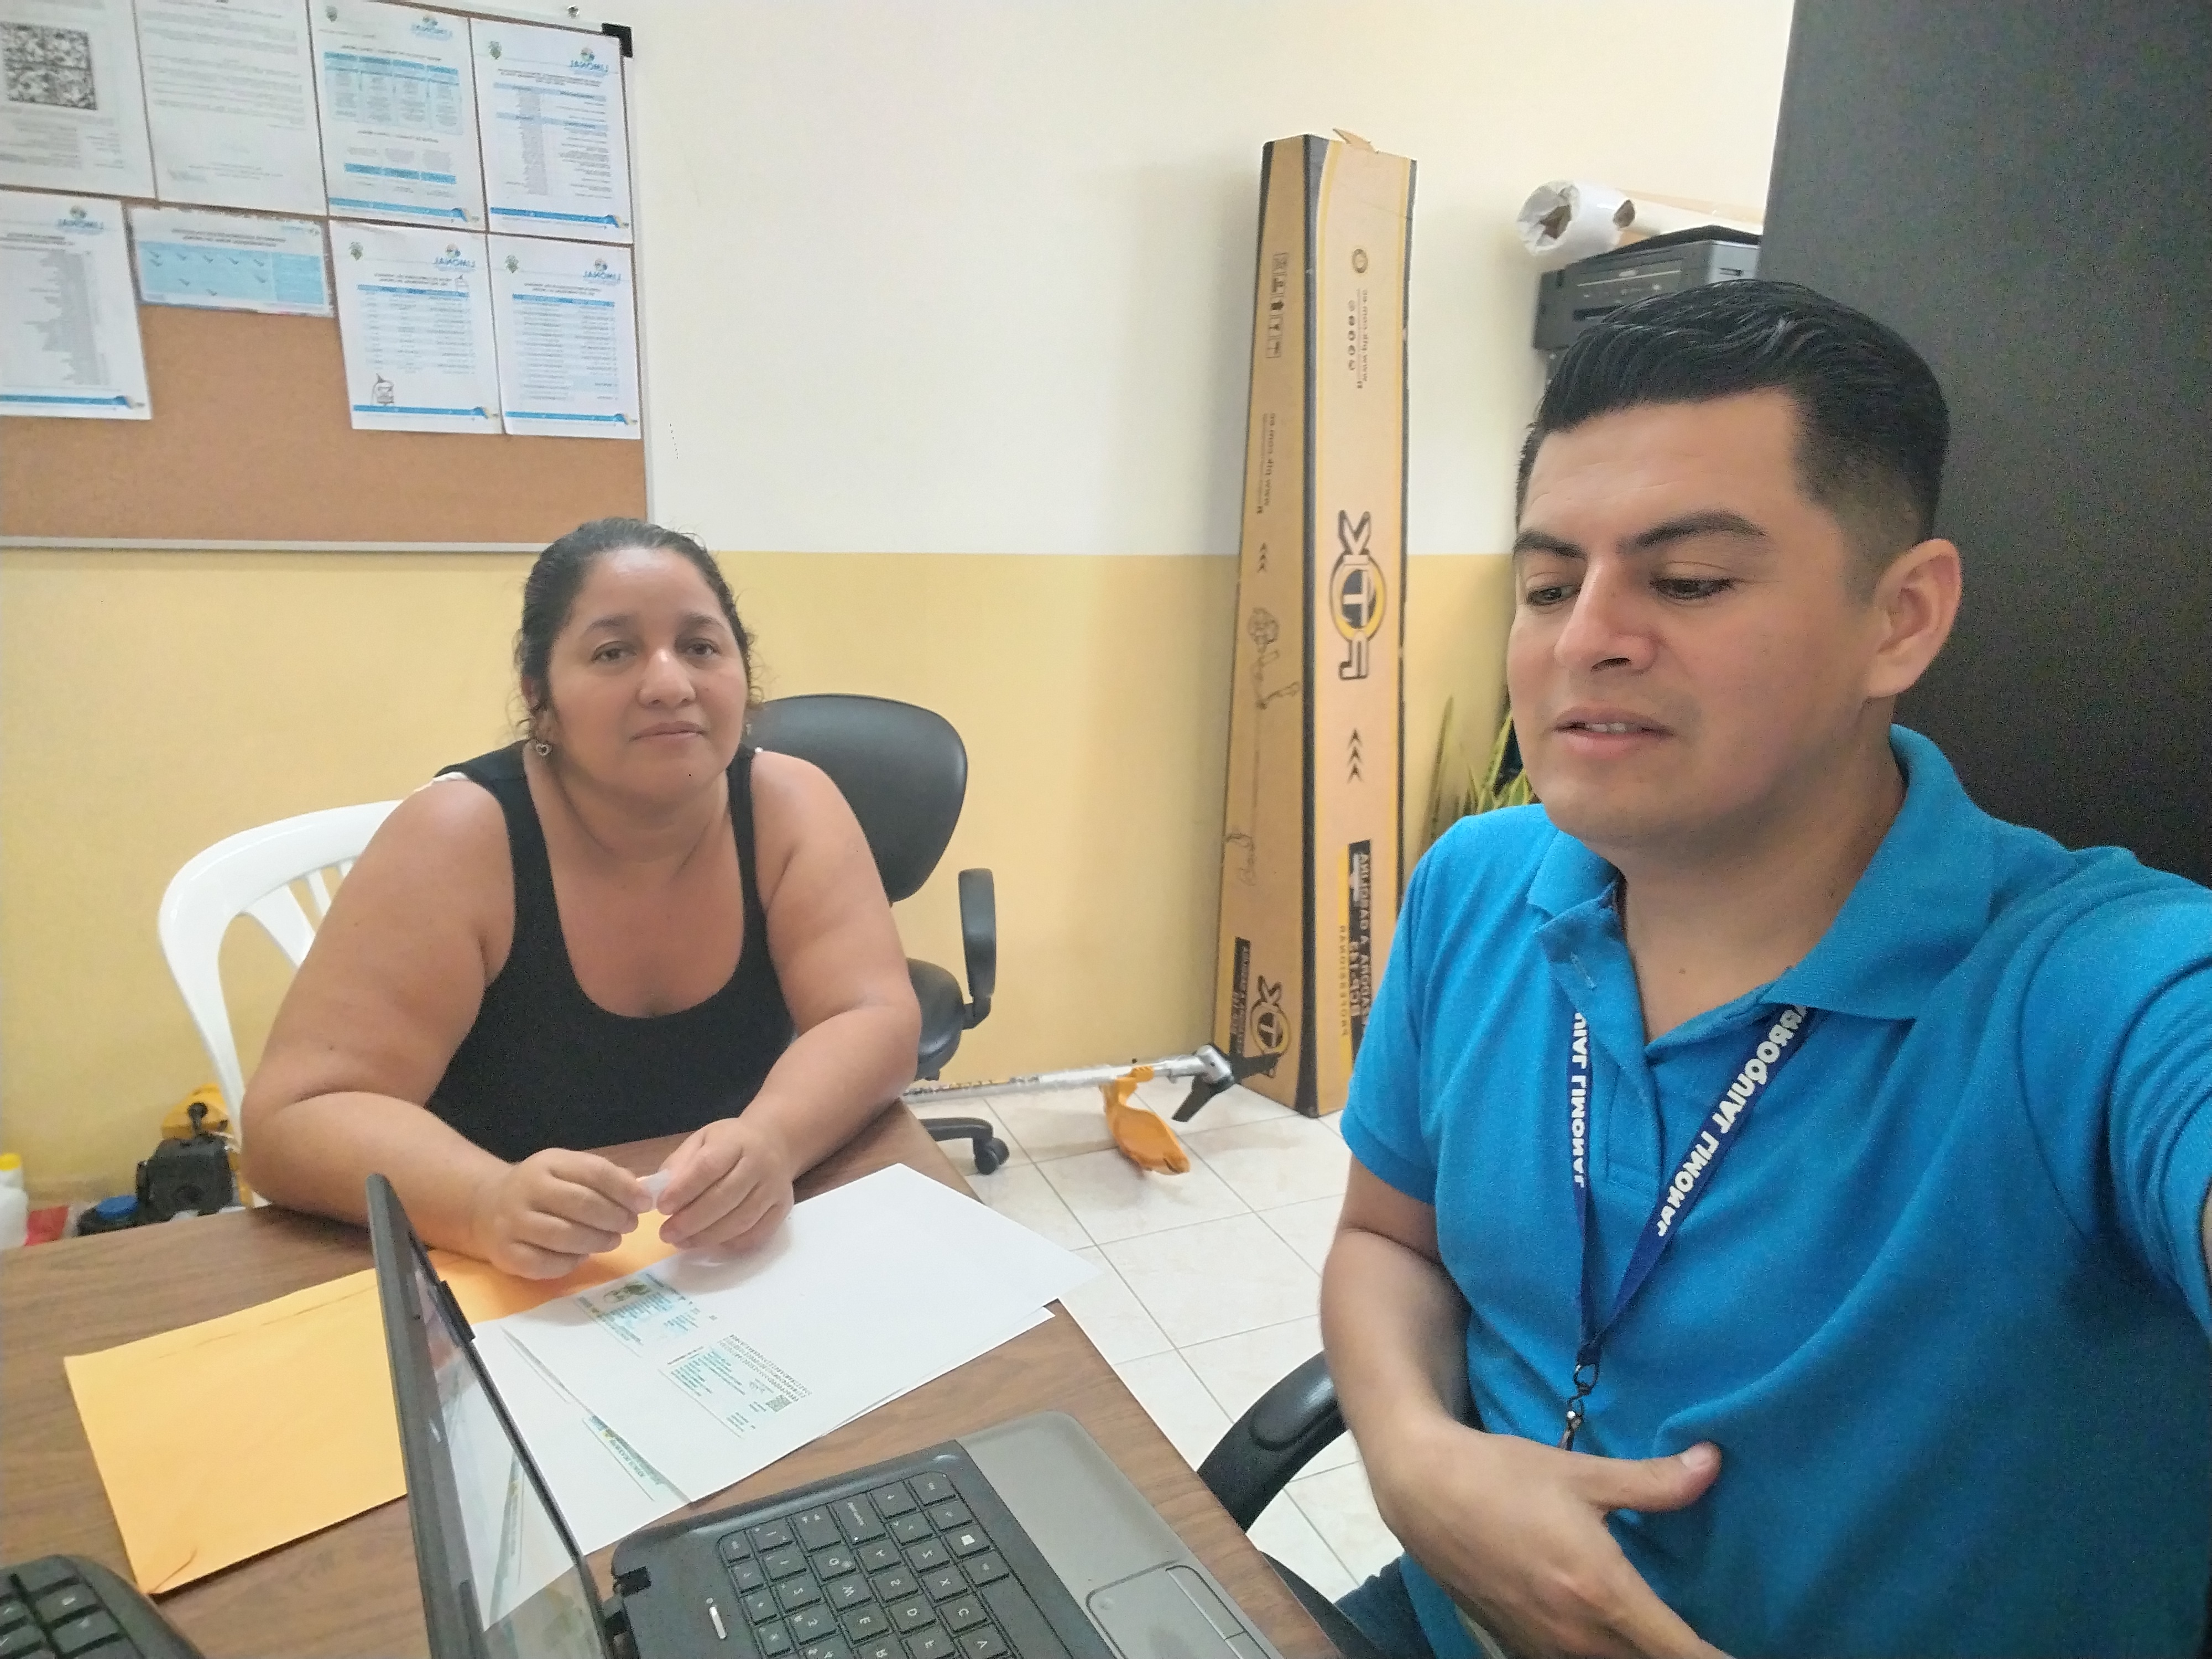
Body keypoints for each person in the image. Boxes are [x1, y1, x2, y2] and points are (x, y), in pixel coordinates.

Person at [1321, 281, 2212, 1658]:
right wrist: (1410, 1458)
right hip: (1444, 1618)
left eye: (1686, 581)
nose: (1584, 637)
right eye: (1547, 585)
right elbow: (1387, 1239)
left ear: (1898, 618)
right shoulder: (1474, 884)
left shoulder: (2097, 989)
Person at [243, 519, 921, 1278]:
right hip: (504, 1275)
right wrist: (480, 1201)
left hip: (716, 1266)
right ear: (540, 697)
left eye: (701, 647)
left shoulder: (790, 802)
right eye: (613, 652)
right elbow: (294, 1119)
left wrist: (775, 1139)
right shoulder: (458, 835)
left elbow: (872, 1013)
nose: (670, 685)